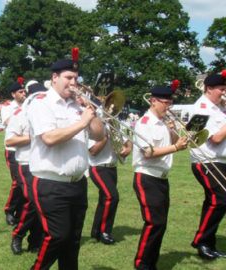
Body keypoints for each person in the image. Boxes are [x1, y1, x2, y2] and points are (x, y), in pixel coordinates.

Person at [27, 55, 105, 270]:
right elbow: (50, 138)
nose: (73, 83)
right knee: (58, 236)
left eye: (76, 79)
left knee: (73, 241)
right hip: (51, 183)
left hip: (78, 182)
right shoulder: (42, 103)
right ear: (54, 78)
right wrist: (82, 123)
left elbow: (98, 135)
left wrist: (92, 112)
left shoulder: (78, 106)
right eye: (68, 78)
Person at [132, 83, 188, 270]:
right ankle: (142, 264)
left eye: (170, 103)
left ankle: (151, 262)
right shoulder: (144, 123)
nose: (169, 107)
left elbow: (171, 142)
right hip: (147, 176)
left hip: (162, 178)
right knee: (153, 222)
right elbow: (148, 152)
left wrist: (173, 132)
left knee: (160, 224)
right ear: (153, 101)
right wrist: (175, 147)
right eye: (165, 103)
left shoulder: (164, 121)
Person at [189, 71, 226, 259]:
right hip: (206, 161)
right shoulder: (202, 108)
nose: (224, 93)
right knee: (221, 199)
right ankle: (201, 240)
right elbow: (217, 138)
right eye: (221, 90)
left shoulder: (219, 107)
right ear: (209, 88)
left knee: (214, 201)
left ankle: (208, 244)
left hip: (220, 161)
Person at [7, 81, 46, 255]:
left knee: (42, 204)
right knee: (33, 202)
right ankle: (18, 234)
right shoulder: (19, 114)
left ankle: (35, 242)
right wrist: (33, 137)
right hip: (25, 163)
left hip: (44, 165)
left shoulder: (46, 113)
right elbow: (9, 141)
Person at [88, 120, 132, 245]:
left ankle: (96, 231)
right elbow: (93, 151)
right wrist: (106, 135)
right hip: (98, 166)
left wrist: (128, 148)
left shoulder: (114, 124)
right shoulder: (93, 125)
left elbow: (127, 141)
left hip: (112, 167)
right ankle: (104, 232)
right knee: (112, 197)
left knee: (104, 199)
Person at [2, 78, 28, 226]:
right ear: (13, 94)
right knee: (17, 181)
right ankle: (10, 210)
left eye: (24, 91)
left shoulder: (29, 105)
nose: (23, 93)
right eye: (20, 91)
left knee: (26, 182)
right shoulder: (7, 107)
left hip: (26, 148)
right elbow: (9, 122)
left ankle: (21, 210)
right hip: (12, 149)